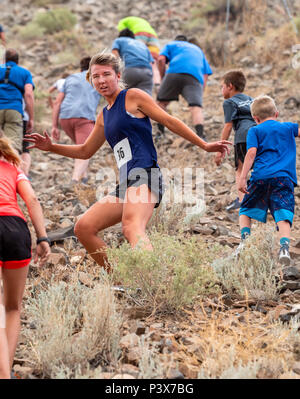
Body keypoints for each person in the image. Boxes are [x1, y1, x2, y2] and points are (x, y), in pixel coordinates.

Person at [25, 52, 231, 272]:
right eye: (96, 76)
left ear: (118, 75)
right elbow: (85, 151)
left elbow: (169, 121)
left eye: (107, 74)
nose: (102, 80)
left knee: (132, 227)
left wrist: (204, 145)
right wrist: (52, 147)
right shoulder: (104, 115)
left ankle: (153, 281)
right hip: (126, 181)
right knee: (83, 227)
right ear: (90, 81)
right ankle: (121, 277)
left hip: (145, 173)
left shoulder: (132, 96)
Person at [0, 135, 51, 379]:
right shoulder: (13, 168)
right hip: (16, 229)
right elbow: (31, 199)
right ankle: (5, 370)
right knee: (12, 308)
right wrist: (43, 238)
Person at [237, 95, 300, 265]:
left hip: (260, 177)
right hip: (284, 178)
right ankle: (284, 248)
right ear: (277, 113)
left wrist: (242, 178)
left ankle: (244, 242)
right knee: (283, 213)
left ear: (255, 118)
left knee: (245, 209)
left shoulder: (254, 130)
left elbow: (251, 153)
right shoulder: (288, 128)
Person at [51, 56, 101, 184]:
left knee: (80, 148)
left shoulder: (70, 78)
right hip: (84, 117)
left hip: (65, 118)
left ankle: (84, 177)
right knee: (86, 150)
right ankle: (74, 180)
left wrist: (54, 126)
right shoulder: (96, 78)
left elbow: (57, 102)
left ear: (80, 68)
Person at [157, 35, 212, 140]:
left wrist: (163, 78)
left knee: (161, 103)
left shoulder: (171, 44)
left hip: (174, 72)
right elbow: (206, 74)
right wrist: (201, 90)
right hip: (194, 77)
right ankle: (200, 136)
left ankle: (160, 133)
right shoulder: (198, 50)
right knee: (196, 108)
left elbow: (160, 60)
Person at [215, 70, 256, 211]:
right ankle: (262, 199)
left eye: (222, 86)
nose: (222, 90)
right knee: (258, 167)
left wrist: (220, 149)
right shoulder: (252, 100)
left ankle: (242, 200)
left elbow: (228, 125)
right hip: (258, 134)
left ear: (230, 86)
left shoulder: (229, 102)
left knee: (240, 169)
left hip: (243, 136)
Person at [0, 49, 34, 158]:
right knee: (12, 145)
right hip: (14, 109)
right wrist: (31, 118)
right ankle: (9, 173)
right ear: (17, 61)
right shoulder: (24, 72)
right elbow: (28, 94)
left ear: (5, 60)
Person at [117, 16, 160, 87]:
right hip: (153, 35)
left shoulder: (121, 22)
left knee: (137, 52)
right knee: (153, 62)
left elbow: (123, 36)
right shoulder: (142, 21)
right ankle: (157, 83)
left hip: (139, 33)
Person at [112, 28, 153, 95]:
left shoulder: (119, 40)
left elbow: (114, 54)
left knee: (122, 97)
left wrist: (116, 71)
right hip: (147, 72)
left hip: (130, 70)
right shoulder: (142, 45)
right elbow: (151, 62)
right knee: (145, 99)